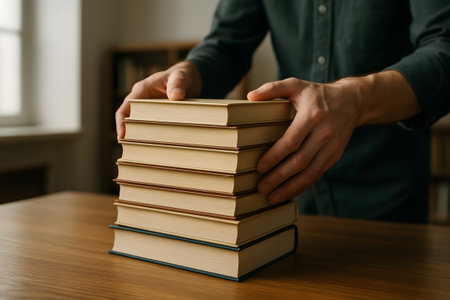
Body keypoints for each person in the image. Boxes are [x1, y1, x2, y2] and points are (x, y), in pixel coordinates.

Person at [116, 0, 450, 223]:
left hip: (388, 198)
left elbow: (444, 47)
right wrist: (188, 72)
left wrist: (355, 98)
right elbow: (228, 43)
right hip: (287, 194)